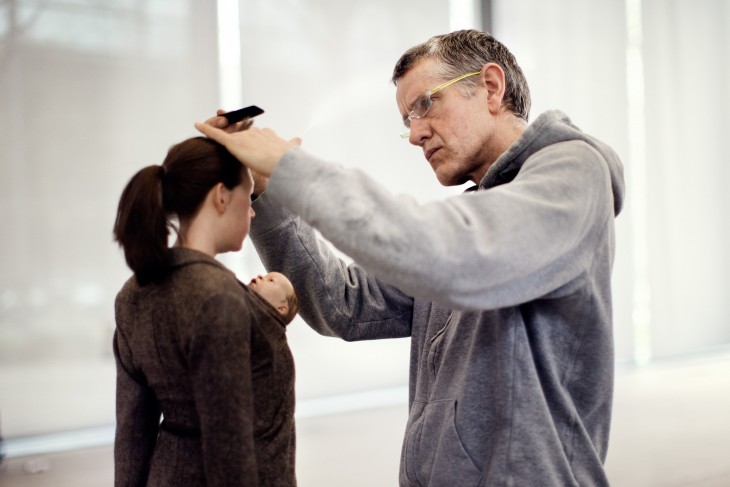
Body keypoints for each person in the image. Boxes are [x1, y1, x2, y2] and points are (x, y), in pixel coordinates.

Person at [197, 28, 625, 486]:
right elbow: (342, 304)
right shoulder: (468, 219)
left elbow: (453, 257)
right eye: (407, 119)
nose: (416, 133)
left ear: (491, 88)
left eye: (425, 104)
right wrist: (268, 189)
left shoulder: (573, 173)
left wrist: (291, 168)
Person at [112, 136, 296, 486]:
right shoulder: (219, 299)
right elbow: (229, 454)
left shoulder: (132, 295)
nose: (253, 210)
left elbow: (132, 437)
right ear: (221, 195)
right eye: (248, 193)